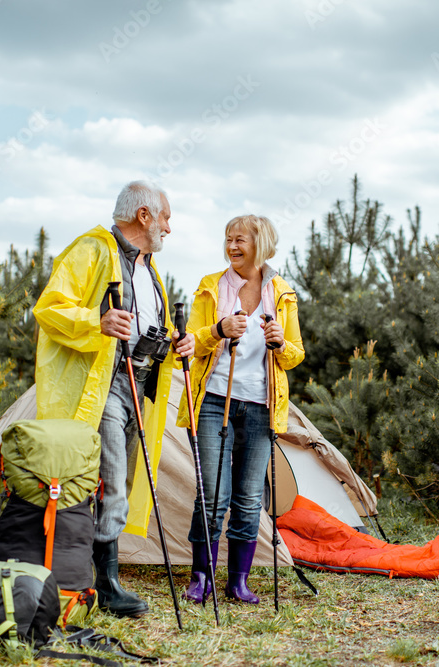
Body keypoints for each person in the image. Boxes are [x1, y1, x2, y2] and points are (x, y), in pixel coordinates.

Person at [32, 180, 194, 618]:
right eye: (166, 218)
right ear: (145, 216)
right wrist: (96, 322)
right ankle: (101, 584)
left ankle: (96, 579)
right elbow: (49, 308)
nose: (169, 228)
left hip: (140, 387)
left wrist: (179, 345)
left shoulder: (147, 267)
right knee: (107, 481)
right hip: (102, 386)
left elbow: (143, 329)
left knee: (117, 486)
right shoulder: (93, 249)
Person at [177, 214, 304, 604]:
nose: (232, 246)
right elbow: (187, 343)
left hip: (262, 406)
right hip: (215, 399)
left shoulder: (281, 294)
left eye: (240, 240)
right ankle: (202, 579)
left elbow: (296, 356)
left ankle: (239, 581)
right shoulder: (211, 287)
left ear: (260, 244)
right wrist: (217, 330)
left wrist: (281, 343)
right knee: (212, 496)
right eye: (228, 239)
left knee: (248, 498)